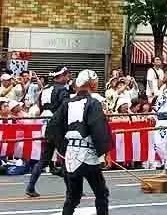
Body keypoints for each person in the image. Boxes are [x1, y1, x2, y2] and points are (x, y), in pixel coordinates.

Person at [46, 69, 111, 215]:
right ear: (92, 84)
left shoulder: (67, 103)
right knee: (101, 193)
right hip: (88, 155)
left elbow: (52, 127)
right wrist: (105, 152)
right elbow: (98, 129)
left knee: (72, 197)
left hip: (70, 154)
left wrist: (62, 148)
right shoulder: (93, 103)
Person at [26, 66, 70, 197]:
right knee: (66, 158)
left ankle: (31, 186)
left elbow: (39, 106)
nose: (68, 78)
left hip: (45, 123)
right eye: (66, 75)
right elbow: (65, 108)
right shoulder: (62, 90)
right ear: (60, 76)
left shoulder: (45, 89)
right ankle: (72, 189)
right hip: (57, 125)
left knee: (44, 158)